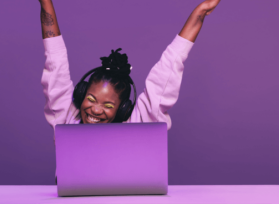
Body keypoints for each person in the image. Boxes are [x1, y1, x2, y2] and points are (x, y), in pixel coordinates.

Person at [39, 0, 221, 137]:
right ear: (81, 94)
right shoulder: (67, 117)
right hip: (73, 190)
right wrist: (46, 2)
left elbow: (170, 64)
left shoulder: (138, 120)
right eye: (91, 99)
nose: (95, 110)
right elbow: (56, 61)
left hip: (131, 191)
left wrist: (201, 11)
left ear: (123, 109)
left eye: (108, 105)